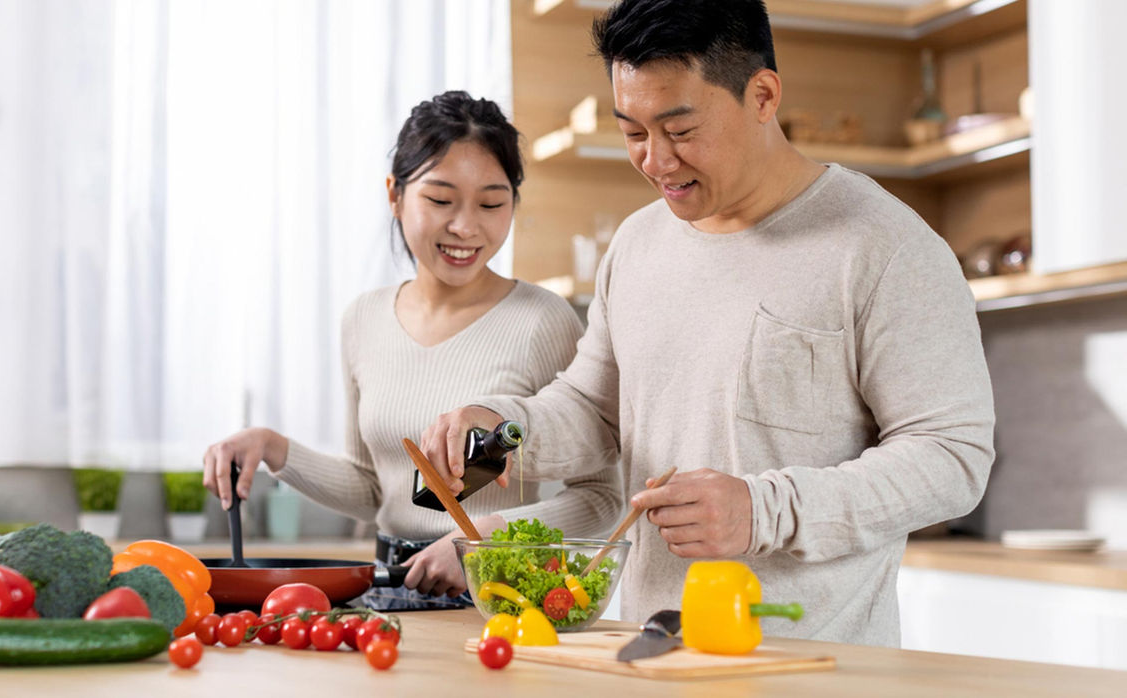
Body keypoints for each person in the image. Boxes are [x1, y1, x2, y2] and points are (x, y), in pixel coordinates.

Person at [418, 0, 994, 646]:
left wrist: (761, 510)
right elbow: (594, 410)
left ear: (763, 95)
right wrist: (503, 430)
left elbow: (952, 458)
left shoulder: (884, 247)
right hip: (644, 652)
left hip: (813, 668)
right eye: (633, 131)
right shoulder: (638, 244)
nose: (656, 161)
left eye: (680, 130)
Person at [202, 91, 622, 608]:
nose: (466, 226)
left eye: (491, 203)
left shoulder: (542, 321)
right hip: (384, 592)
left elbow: (602, 497)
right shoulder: (364, 318)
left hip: (490, 595)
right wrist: (274, 448)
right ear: (395, 195)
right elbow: (375, 488)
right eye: (441, 200)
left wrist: (483, 538)